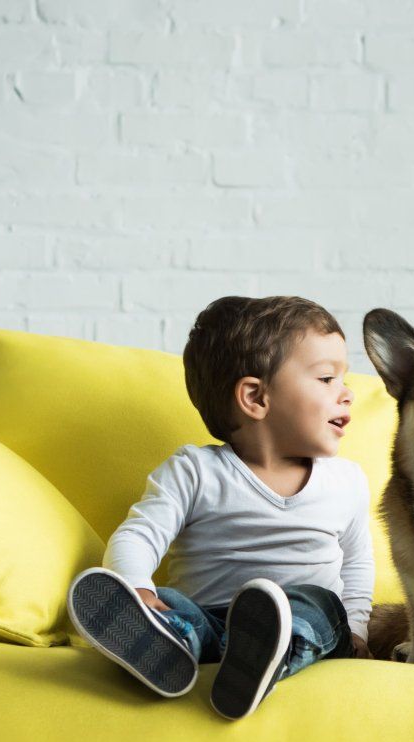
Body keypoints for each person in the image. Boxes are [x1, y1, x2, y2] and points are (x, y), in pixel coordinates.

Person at [67, 295, 373, 720]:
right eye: (326, 378)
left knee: (322, 602)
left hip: (306, 623)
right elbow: (140, 534)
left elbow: (356, 569)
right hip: (213, 623)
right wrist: (139, 589)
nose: (347, 394)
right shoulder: (196, 471)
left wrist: (357, 630)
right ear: (255, 397)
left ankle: (271, 653)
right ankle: (170, 639)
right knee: (172, 600)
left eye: (344, 378)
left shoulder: (346, 481)